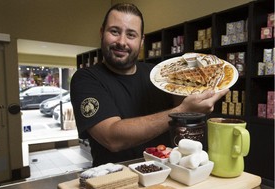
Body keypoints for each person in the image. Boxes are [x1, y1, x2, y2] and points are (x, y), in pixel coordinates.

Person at [71, 3, 229, 166]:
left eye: (131, 35)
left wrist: (200, 93)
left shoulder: (158, 74)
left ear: (141, 41)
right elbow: (112, 138)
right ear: (102, 33)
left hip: (168, 175)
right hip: (116, 181)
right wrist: (182, 111)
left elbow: (180, 108)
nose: (122, 42)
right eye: (114, 31)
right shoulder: (86, 79)